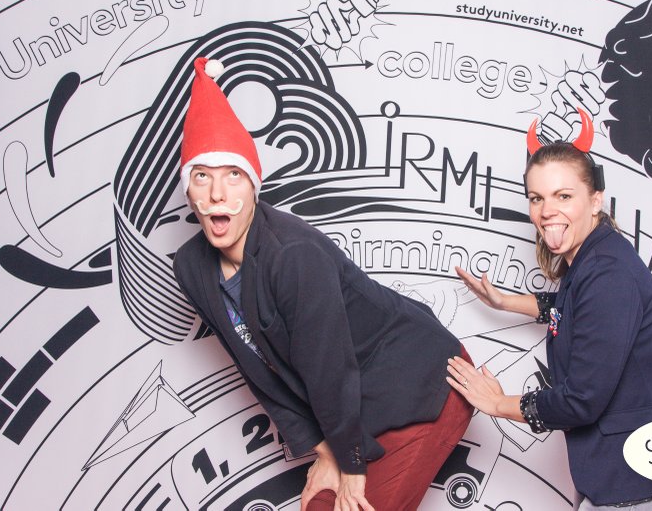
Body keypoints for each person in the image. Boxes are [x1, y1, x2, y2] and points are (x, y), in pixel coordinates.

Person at [173, 57, 473, 511]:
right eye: (202, 177)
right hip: (349, 411)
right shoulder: (192, 267)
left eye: (233, 176)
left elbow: (329, 367)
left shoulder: (293, 255)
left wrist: (349, 462)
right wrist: (324, 450)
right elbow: (255, 368)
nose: (218, 194)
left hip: (419, 384)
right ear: (189, 190)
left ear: (253, 186)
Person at [449, 109, 652, 510]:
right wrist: (505, 301)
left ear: (595, 200)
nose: (547, 211)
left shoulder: (608, 273)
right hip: (620, 474)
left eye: (563, 196)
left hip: (638, 478)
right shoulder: (593, 260)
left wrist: (498, 404)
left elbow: (581, 400)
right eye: (537, 198)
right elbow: (574, 308)